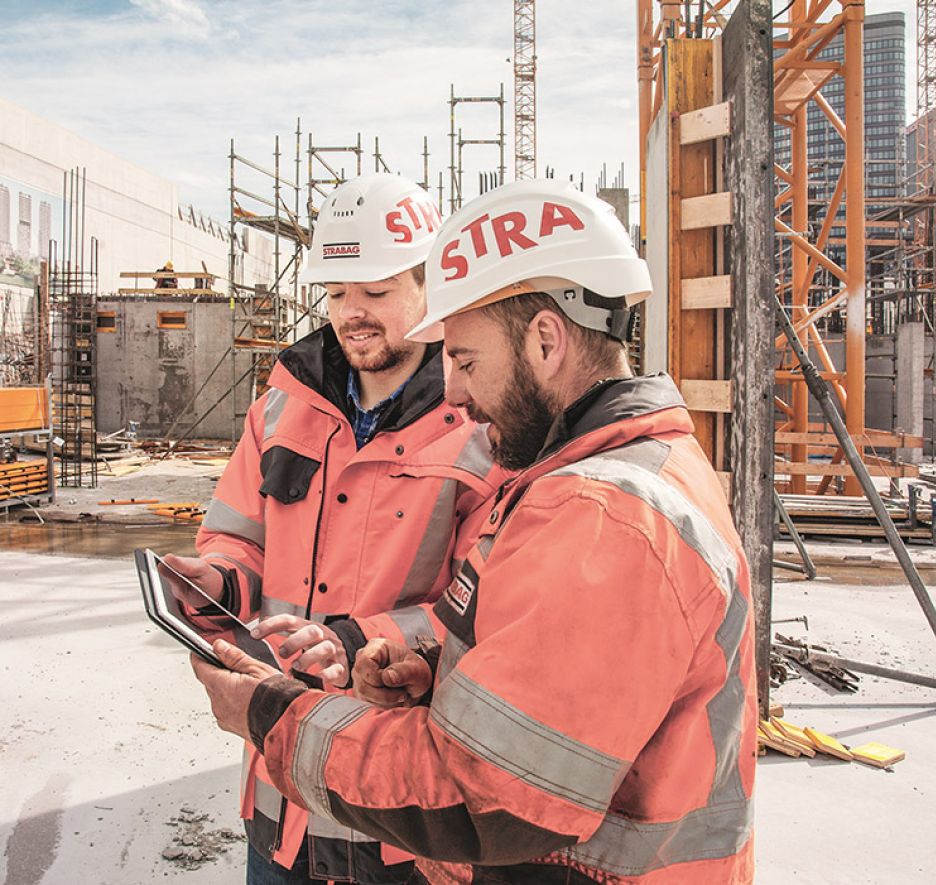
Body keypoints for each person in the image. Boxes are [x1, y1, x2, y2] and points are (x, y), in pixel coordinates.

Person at [192, 179, 757, 883]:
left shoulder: (606, 515)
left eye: (464, 360)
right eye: (337, 293)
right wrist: (435, 677)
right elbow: (543, 679)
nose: (454, 391)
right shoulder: (576, 476)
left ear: (545, 340)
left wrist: (272, 713)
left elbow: (484, 790)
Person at [164, 173, 502, 884]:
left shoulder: (481, 425)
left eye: (375, 292)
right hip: (280, 794)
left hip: (401, 809)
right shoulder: (284, 405)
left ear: (428, 285)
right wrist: (218, 579)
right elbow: (239, 537)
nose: (353, 312)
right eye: (337, 292)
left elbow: (491, 611)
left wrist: (358, 641)